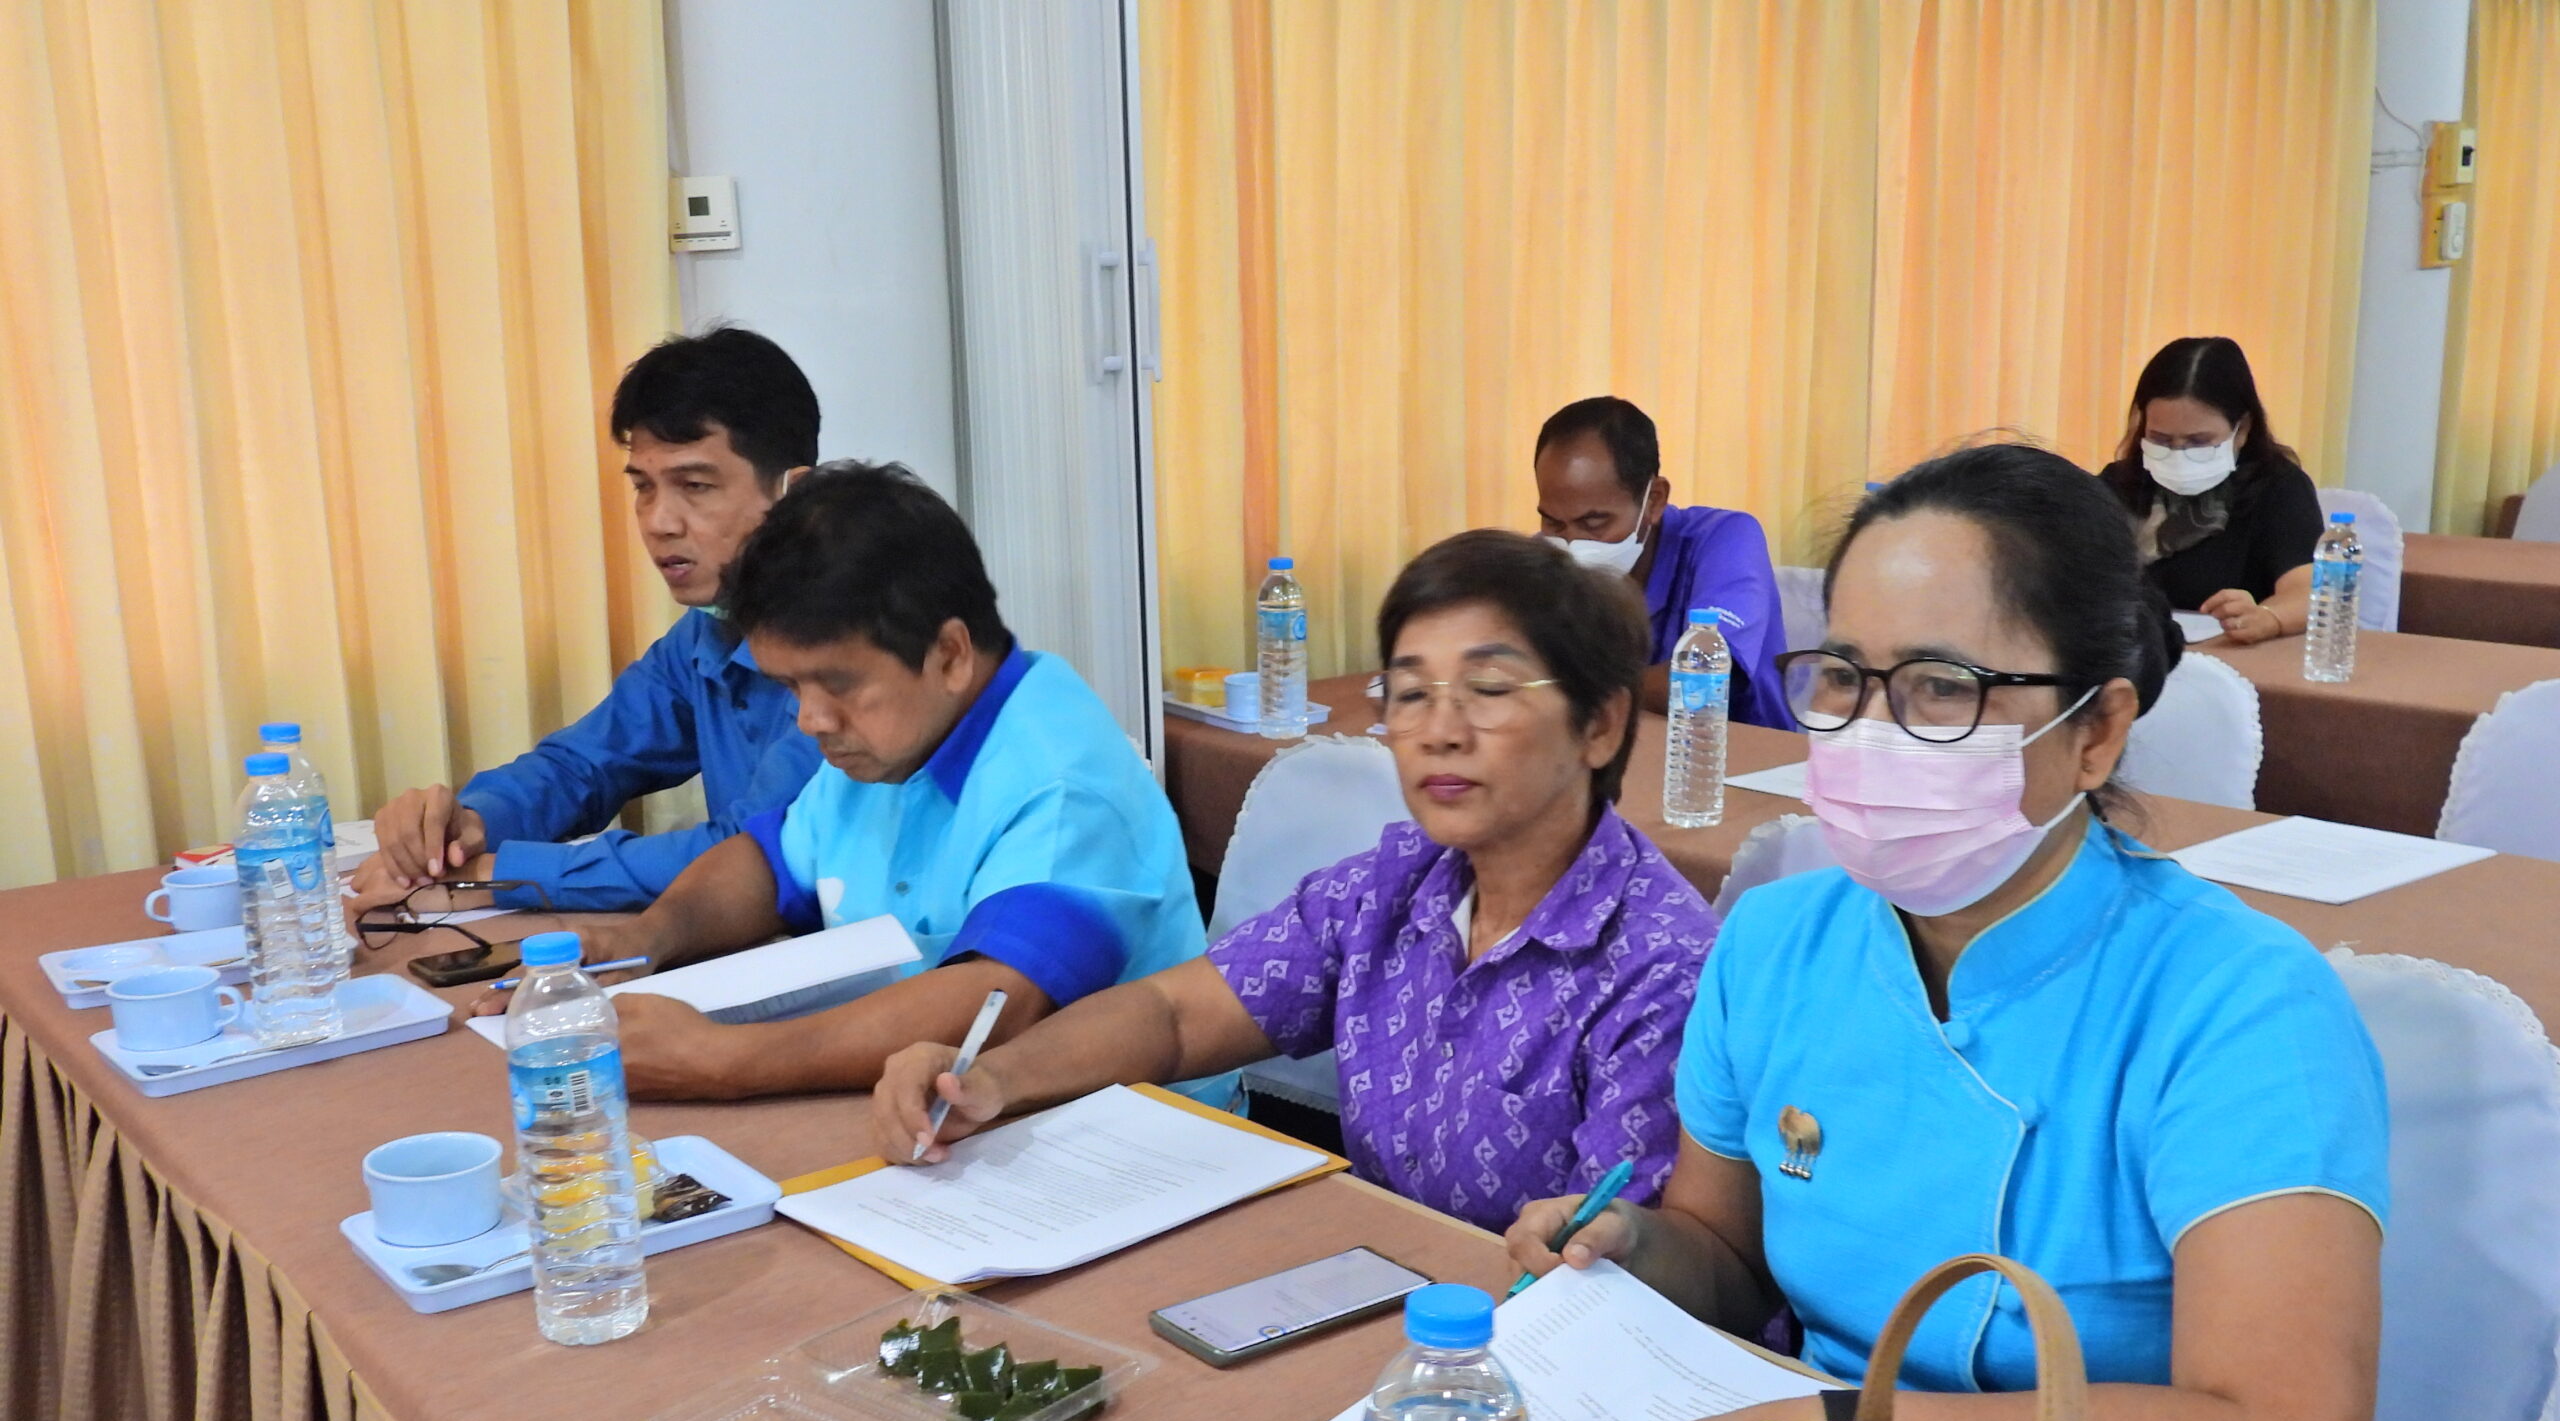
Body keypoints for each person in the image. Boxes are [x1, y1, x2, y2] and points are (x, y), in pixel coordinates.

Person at [1509, 444, 2386, 1421]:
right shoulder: (1776, 944)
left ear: (2095, 731)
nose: (1870, 731)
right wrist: (1634, 1249)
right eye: (1843, 677)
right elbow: (1731, 1258)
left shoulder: (2237, 1005)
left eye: (1940, 687)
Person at [870, 530, 1722, 1231]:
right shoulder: (1394, 887)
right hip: (1385, 1291)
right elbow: (1175, 1015)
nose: (1440, 730)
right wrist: (993, 1078)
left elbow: (1624, 1257)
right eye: (1410, 693)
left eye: (1489, 689)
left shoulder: (1662, 964)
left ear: (1600, 725)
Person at [485, 461, 1212, 1102]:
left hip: (1135, 1142)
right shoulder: (897, 735)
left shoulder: (1060, 781)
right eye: (790, 687)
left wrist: (725, 1061)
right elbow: (767, 862)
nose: (810, 719)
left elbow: (997, 1003)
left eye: (836, 684)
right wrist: (650, 937)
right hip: (942, 1112)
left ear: (950, 654)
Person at [347, 327, 825, 913]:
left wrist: (492, 876)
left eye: (696, 486)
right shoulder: (706, 631)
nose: (659, 522)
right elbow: (582, 766)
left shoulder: (850, 643)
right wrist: (469, 826)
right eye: (643, 488)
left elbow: (751, 851)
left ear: (793, 493)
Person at [1532, 395, 1787, 727]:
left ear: (1654, 501)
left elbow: (1703, 682)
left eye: (1593, 523)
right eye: (1553, 522)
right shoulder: (1542, 558)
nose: (1571, 544)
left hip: (1744, 750)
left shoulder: (1726, 539)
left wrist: (1579, 688)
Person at [2096, 335, 2324, 644]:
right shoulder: (2119, 484)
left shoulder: (2278, 488)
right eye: (2160, 439)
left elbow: (2308, 592)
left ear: (2242, 430)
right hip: (2128, 654)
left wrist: (2269, 617)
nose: (2178, 453)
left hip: (2228, 656)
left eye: (2198, 441)